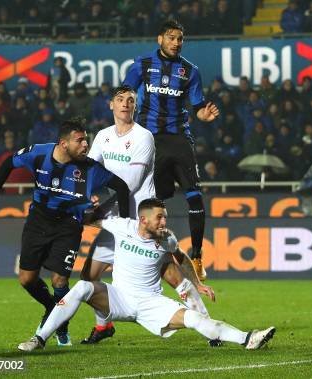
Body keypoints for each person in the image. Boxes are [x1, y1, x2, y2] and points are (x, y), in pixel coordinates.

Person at [17, 198, 275, 352]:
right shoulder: (122, 227)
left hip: (152, 303)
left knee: (195, 319)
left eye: (165, 217)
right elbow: (90, 220)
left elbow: (181, 258)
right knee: (84, 286)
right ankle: (39, 338)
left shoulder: (167, 239)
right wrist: (88, 208)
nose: (164, 222)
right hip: (118, 298)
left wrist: (198, 283)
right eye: (160, 218)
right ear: (143, 219)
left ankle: (247, 339)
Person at [81, 85, 214, 345]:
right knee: (89, 276)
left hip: (142, 221)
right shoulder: (102, 137)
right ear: (111, 105)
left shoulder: (143, 137)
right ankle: (103, 326)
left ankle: (208, 326)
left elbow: (128, 184)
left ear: (136, 107)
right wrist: (86, 195)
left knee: (172, 275)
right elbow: (90, 171)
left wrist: (96, 213)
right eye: (120, 100)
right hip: (117, 221)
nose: (125, 104)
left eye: (131, 100)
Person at [0, 118, 130, 346]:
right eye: (79, 141)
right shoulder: (39, 154)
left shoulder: (90, 168)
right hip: (38, 221)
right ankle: (53, 307)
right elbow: (8, 164)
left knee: (60, 281)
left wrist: (124, 221)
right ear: (63, 143)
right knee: (26, 279)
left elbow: (122, 187)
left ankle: (61, 326)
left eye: (86, 140)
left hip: (69, 225)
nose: (85, 145)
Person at [123, 20, 220, 282]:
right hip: (150, 141)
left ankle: (197, 257)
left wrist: (204, 115)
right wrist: (125, 125)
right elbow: (124, 94)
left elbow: (198, 106)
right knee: (155, 197)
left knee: (195, 195)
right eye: (171, 37)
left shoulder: (190, 71)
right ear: (160, 39)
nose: (176, 42)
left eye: (180, 39)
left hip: (179, 140)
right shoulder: (141, 65)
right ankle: (144, 249)